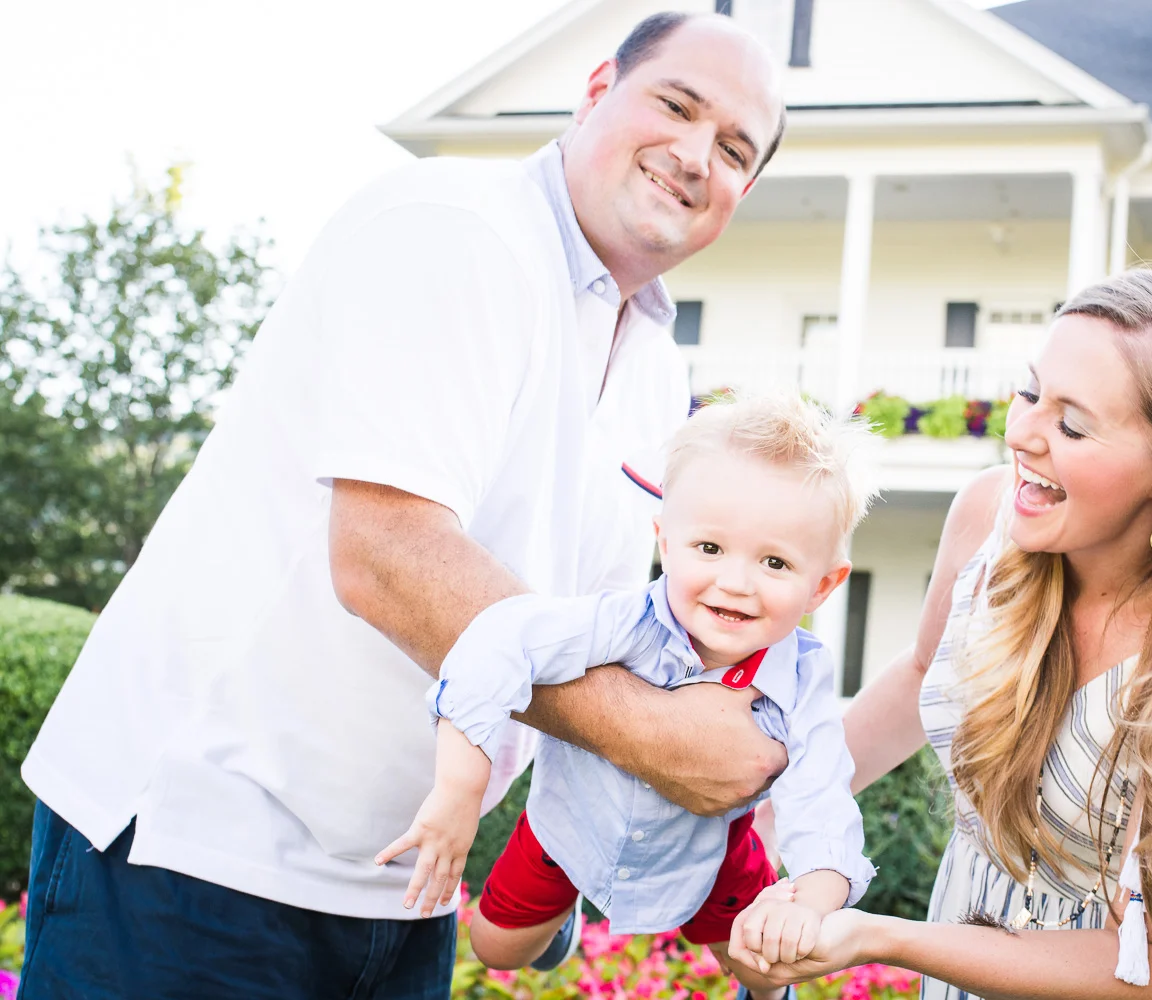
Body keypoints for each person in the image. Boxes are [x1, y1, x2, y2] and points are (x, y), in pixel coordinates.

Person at [20, 12, 787, 999]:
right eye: (676, 105)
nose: (694, 154)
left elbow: (589, 643)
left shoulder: (656, 370)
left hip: (401, 893)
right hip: (192, 856)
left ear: (746, 192)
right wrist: (660, 737)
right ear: (597, 89)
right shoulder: (457, 227)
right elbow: (386, 553)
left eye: (733, 149)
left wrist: (698, 833)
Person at [730, 269, 1152, 999]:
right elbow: (921, 672)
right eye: (1030, 393)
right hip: (974, 944)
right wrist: (768, 824)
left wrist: (878, 936)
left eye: (1072, 424)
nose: (1020, 433)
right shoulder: (987, 513)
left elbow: (1151, 969)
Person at [378, 394, 879, 1000]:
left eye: (774, 562)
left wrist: (811, 899)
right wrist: (459, 788)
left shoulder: (804, 677)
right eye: (710, 549)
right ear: (665, 541)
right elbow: (501, 640)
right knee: (497, 949)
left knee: (763, 967)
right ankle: (561, 929)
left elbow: (822, 797)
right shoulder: (623, 621)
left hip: (711, 846)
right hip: (570, 824)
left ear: (823, 585)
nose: (735, 582)